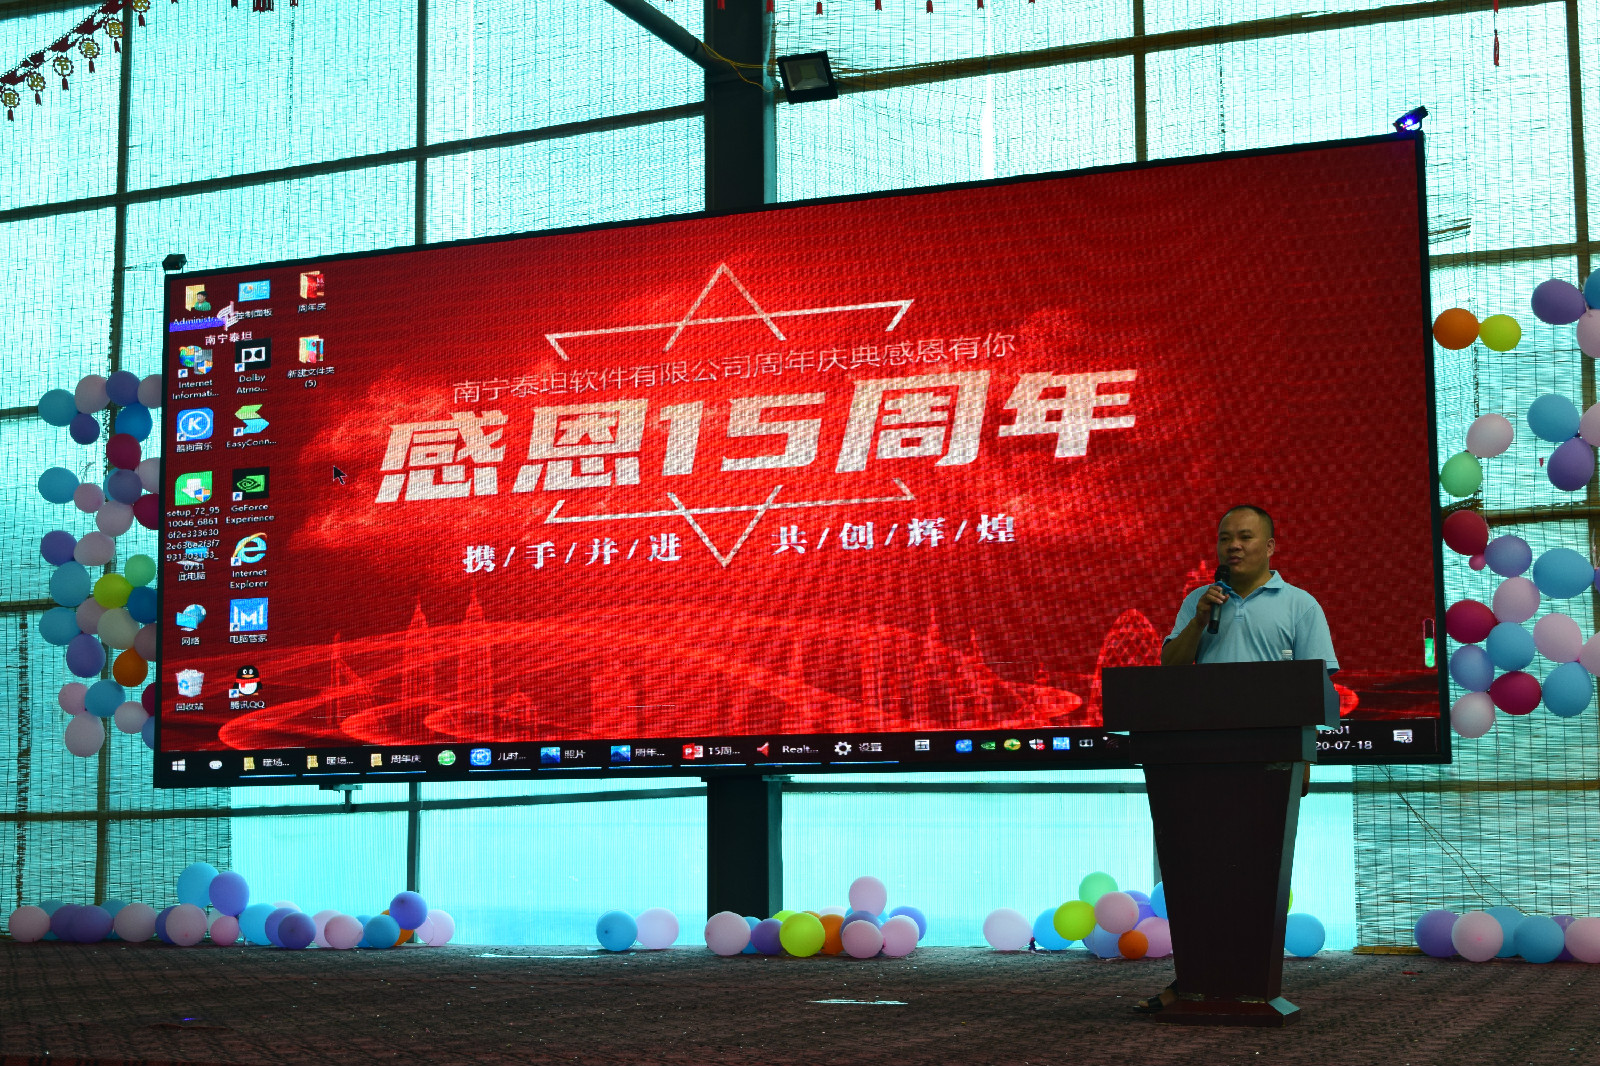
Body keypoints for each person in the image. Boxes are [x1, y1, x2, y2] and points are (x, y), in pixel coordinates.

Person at [1135, 504, 1337, 1014]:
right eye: (1225, 537)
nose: (1233, 546)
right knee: (1202, 875)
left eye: (1245, 537)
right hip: (1201, 762)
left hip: (1272, 764)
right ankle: (1196, 981)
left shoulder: (1300, 604)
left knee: (1253, 878)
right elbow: (1170, 666)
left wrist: (1307, 758)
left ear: (1270, 546)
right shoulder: (1199, 601)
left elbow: (1316, 687)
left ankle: (1251, 984)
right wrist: (1200, 619)